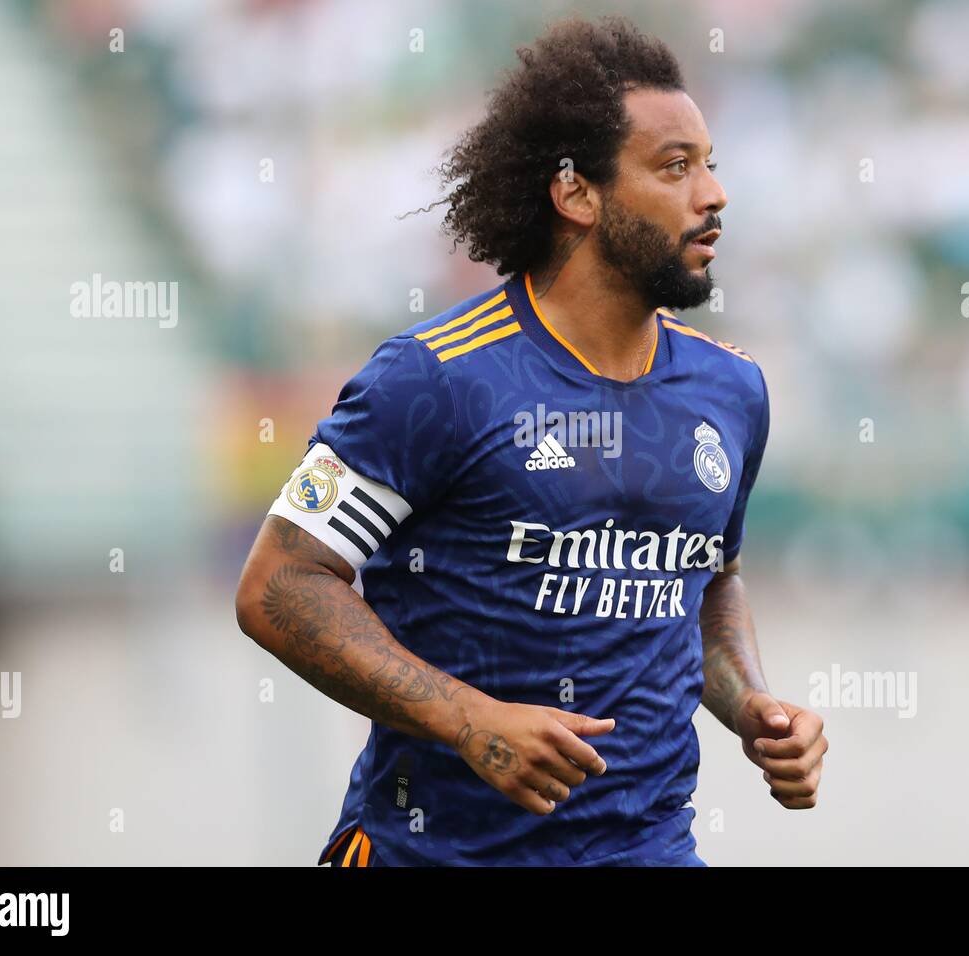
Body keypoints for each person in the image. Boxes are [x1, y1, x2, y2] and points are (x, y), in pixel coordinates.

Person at [235, 14, 826, 867]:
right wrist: (466, 719)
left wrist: (753, 706)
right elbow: (279, 583)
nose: (713, 194)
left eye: (711, 165)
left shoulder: (732, 392)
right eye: (674, 167)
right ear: (576, 193)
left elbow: (708, 582)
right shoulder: (434, 379)